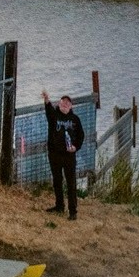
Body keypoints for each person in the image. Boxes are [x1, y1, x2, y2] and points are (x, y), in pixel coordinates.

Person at [41, 90, 85, 219]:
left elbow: (81, 136)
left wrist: (76, 147)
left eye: (67, 104)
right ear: (59, 105)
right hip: (54, 154)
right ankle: (59, 206)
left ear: (71, 106)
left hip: (69, 156)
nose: (65, 106)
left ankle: (73, 211)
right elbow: (48, 110)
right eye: (62, 103)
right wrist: (46, 100)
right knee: (57, 181)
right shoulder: (54, 116)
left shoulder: (75, 119)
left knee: (71, 183)